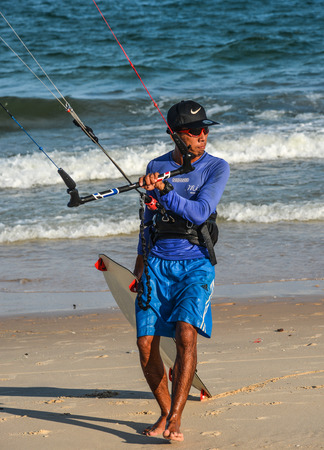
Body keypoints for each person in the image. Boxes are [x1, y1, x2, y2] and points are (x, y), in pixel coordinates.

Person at [133, 100, 230, 441]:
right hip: (157, 263)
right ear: (175, 136)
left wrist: (166, 189)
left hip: (196, 263)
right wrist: (139, 266)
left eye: (206, 129)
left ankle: (176, 417)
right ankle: (164, 411)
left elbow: (201, 211)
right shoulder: (156, 165)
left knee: (185, 333)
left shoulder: (217, 167)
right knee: (146, 344)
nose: (203, 136)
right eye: (195, 131)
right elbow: (147, 221)